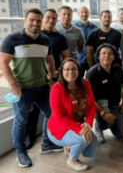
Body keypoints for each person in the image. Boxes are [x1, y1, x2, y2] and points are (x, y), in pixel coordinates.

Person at [0, 8, 62, 168]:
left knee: (51, 113)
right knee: (21, 121)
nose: (35, 23)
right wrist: (13, 84)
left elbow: (49, 60)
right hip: (22, 89)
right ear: (25, 21)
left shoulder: (44, 40)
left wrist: (52, 77)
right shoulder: (12, 39)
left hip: (42, 86)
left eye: (38, 20)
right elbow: (3, 63)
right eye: (32, 20)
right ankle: (20, 151)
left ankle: (47, 144)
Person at [25, 8, 70, 149]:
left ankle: (51, 139)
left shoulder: (60, 37)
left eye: (54, 19)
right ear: (43, 19)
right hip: (34, 78)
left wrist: (58, 71)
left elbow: (66, 57)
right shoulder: (34, 35)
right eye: (48, 18)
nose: (51, 21)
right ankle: (29, 137)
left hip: (53, 78)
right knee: (32, 111)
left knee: (52, 110)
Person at [47, 58, 100, 172]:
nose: (70, 72)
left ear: (79, 71)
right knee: (83, 140)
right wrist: (80, 129)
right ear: (61, 72)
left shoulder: (85, 83)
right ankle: (72, 159)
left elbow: (92, 106)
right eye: (67, 69)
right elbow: (59, 117)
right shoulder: (56, 89)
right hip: (59, 128)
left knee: (93, 152)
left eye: (73, 69)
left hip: (79, 124)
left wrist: (88, 124)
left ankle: (70, 145)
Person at [86, 44, 123, 143]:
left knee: (120, 134)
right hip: (100, 106)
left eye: (110, 54)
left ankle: (114, 119)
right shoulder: (92, 73)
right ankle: (99, 127)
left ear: (114, 56)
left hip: (115, 105)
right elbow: (88, 97)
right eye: (103, 53)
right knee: (105, 122)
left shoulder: (118, 69)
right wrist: (102, 113)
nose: (106, 56)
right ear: (98, 56)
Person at [73, 6, 98, 75]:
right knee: (78, 80)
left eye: (86, 12)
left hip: (92, 59)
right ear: (78, 13)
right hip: (78, 59)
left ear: (89, 14)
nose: (84, 14)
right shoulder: (73, 27)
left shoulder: (94, 27)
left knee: (93, 79)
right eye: (82, 12)